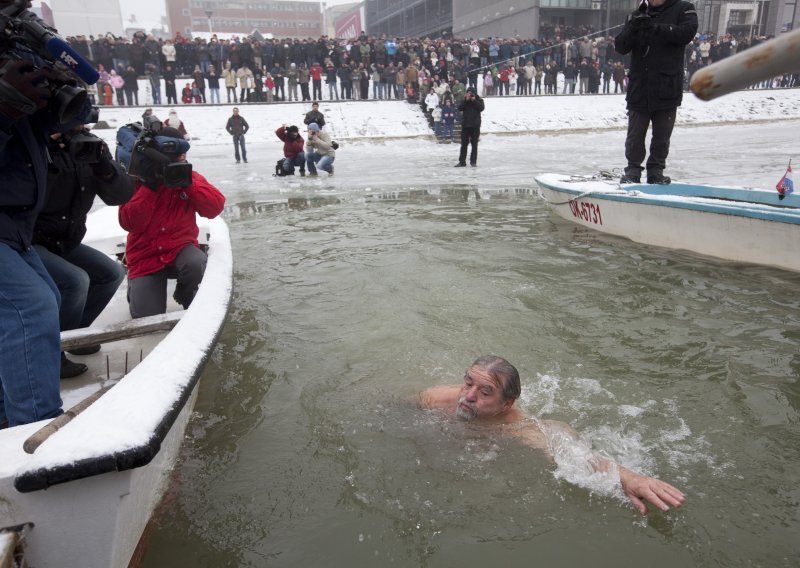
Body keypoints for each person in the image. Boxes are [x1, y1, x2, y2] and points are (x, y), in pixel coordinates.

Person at [419, 356, 686, 515]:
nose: (468, 396)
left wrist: (629, 478)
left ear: (506, 404)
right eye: (468, 383)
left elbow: (580, 458)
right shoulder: (437, 398)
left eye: (485, 392)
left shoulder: (526, 429)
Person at [0, 20, 94, 426]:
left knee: (50, 296)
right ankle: (36, 429)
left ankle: (6, 413)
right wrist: (5, 105)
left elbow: (49, 126)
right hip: (13, 223)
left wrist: (56, 94)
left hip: (15, 223)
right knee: (31, 307)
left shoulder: (17, 51)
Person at [33, 129, 133, 378]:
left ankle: (75, 336)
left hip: (64, 239)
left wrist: (103, 166)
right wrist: (50, 151)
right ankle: (51, 353)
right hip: (29, 239)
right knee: (75, 281)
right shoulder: (36, 142)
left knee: (111, 273)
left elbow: (120, 195)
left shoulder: (91, 146)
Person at [118, 127, 225, 318]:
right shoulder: (136, 181)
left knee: (196, 263)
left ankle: (185, 293)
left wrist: (187, 184)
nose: (181, 159)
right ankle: (135, 286)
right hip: (145, 254)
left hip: (179, 247)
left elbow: (215, 207)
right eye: (175, 155)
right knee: (146, 318)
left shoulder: (189, 177)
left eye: (182, 155)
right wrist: (150, 186)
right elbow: (129, 223)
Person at [615, 0, 698, 184]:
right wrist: (634, 27)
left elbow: (687, 33)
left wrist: (656, 28)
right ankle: (633, 170)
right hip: (640, 88)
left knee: (662, 136)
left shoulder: (684, 9)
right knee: (635, 135)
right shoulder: (638, 14)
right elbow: (620, 46)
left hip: (666, 87)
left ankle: (656, 171)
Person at [455, 86, 484, 167]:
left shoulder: (479, 100)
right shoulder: (464, 100)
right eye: (468, 92)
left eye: (471, 93)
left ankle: (473, 162)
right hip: (465, 126)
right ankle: (462, 162)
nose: (469, 94)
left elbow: (481, 108)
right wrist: (465, 100)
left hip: (475, 126)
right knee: (464, 145)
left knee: (474, 145)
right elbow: (459, 108)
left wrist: (474, 100)